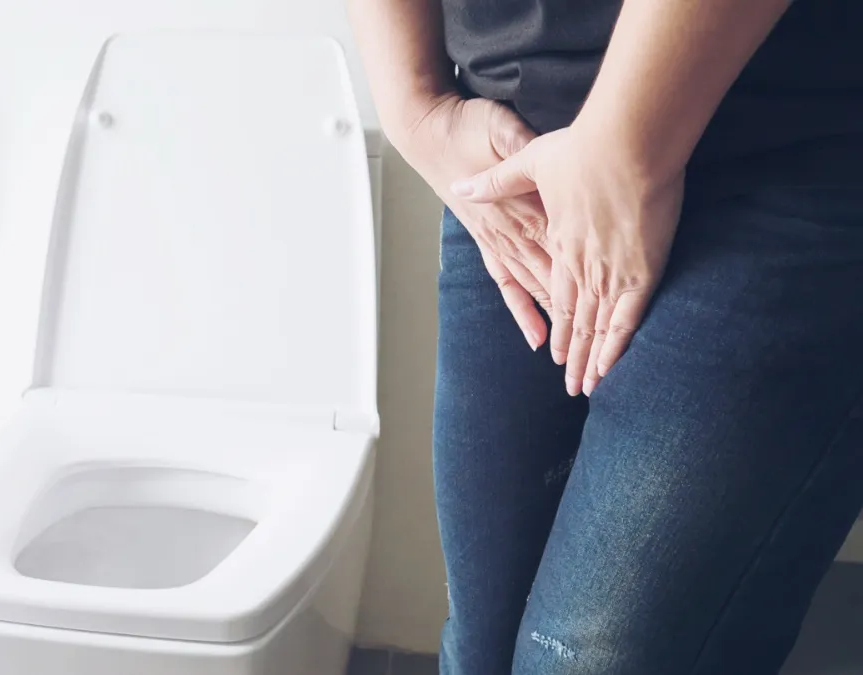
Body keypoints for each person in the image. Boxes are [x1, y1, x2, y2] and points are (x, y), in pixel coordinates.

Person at [346, 0, 863, 673]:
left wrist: (627, 147)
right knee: (480, 650)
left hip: (792, 159)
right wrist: (415, 110)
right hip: (516, 171)